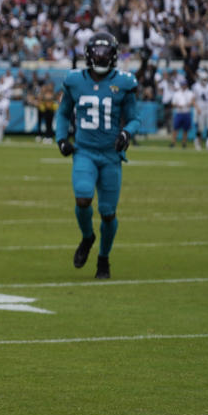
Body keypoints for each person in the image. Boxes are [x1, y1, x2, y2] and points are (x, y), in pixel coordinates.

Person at [55, 32, 140, 279]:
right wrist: (62, 139)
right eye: (97, 52)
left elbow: (134, 117)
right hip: (85, 151)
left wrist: (126, 133)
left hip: (111, 154)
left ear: (113, 56)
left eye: (105, 53)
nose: (101, 57)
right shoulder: (74, 80)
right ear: (88, 54)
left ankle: (103, 259)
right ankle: (87, 236)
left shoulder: (124, 82)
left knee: (107, 212)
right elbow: (62, 114)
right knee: (82, 197)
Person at [192, 68, 208, 151]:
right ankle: (197, 141)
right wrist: (197, 108)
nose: (205, 80)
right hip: (201, 109)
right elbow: (193, 99)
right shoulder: (196, 87)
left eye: (206, 79)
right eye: (204, 79)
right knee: (201, 127)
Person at [170, 75, 194, 149]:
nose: (184, 86)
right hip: (179, 112)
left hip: (186, 112)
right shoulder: (177, 93)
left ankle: (184, 143)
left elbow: (192, 102)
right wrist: (178, 106)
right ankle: (173, 143)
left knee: (185, 129)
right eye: (182, 84)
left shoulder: (190, 93)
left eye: (185, 84)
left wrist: (189, 104)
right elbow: (173, 104)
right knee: (175, 128)